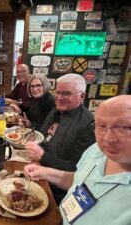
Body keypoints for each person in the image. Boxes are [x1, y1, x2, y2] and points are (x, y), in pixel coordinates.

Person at [24, 95, 131, 225]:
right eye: (101, 126)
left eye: (125, 128)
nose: (108, 139)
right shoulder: (96, 150)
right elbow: (79, 179)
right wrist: (45, 172)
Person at [26, 73, 95, 203]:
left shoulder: (88, 124)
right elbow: (42, 136)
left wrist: (42, 156)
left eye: (66, 94)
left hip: (57, 192)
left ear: (82, 96)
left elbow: (76, 169)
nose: (59, 98)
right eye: (57, 93)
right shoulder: (56, 111)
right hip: (37, 171)